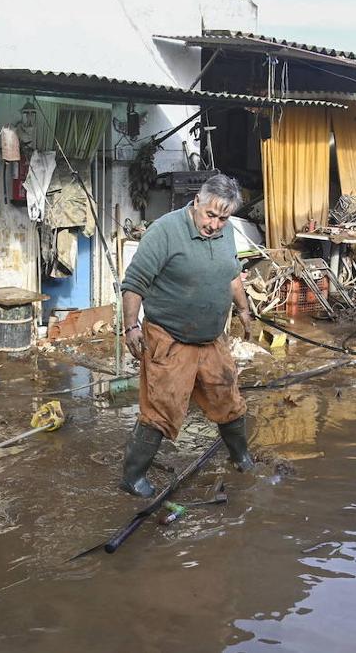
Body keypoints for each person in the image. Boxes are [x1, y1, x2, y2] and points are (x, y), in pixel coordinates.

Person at [117, 174, 255, 497]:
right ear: (196, 202)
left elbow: (232, 274)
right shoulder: (165, 232)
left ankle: (241, 457)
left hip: (211, 339)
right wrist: (131, 326)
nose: (216, 224)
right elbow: (134, 283)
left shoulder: (226, 233)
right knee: (161, 408)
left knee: (229, 399)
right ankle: (132, 477)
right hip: (169, 337)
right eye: (211, 215)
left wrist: (244, 310)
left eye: (223, 218)